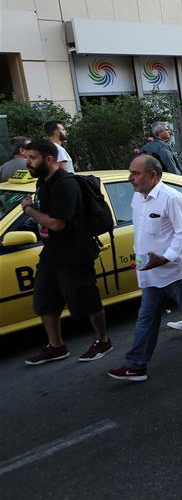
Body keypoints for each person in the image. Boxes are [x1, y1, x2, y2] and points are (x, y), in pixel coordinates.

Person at [107, 155, 182, 382]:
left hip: (176, 270)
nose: (130, 178)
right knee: (145, 319)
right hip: (150, 271)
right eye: (131, 172)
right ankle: (136, 365)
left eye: (136, 173)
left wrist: (166, 258)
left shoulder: (172, 198)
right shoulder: (138, 198)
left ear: (153, 175)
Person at [20, 140, 112, 365]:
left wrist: (29, 210)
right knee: (45, 299)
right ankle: (56, 346)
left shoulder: (65, 184)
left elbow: (57, 224)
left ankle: (103, 340)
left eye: (33, 158)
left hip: (75, 252)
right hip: (52, 252)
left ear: (49, 159)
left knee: (86, 300)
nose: (27, 162)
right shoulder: (42, 182)